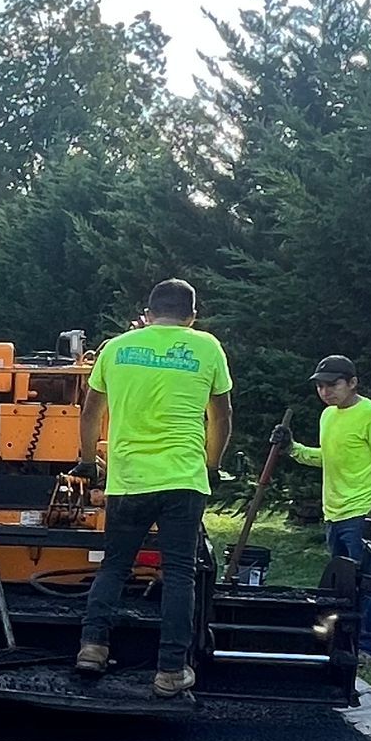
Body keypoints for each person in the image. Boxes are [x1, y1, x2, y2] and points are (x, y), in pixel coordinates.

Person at [74, 278, 234, 698]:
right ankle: (169, 671)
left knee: (114, 566)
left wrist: (89, 461)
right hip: (183, 479)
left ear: (147, 313)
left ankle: (92, 647)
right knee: (179, 574)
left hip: (128, 479)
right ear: (192, 316)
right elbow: (222, 417)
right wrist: (212, 464)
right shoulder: (207, 347)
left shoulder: (116, 348)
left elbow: (90, 412)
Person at [287, 353, 371, 661]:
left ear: (352, 383)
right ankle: (344, 640)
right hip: (334, 512)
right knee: (342, 584)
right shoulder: (328, 416)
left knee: (369, 581)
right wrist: (292, 449)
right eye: (320, 386)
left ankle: (370, 647)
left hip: (362, 512)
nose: (325, 392)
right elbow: (329, 457)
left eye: (332, 385)